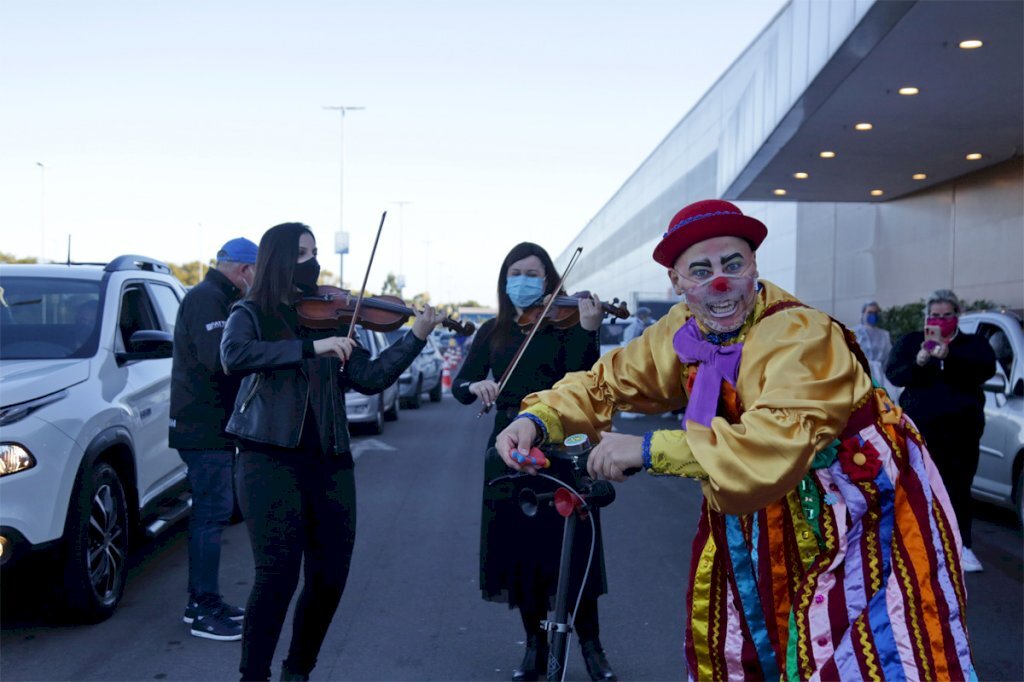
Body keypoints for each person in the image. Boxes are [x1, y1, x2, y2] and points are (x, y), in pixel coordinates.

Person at [496, 200, 977, 680]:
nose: (719, 283)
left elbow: (776, 440)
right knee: (751, 640)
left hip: (857, 505)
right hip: (752, 495)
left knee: (862, 649)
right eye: (700, 271)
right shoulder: (681, 328)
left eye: (733, 265)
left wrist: (647, 449)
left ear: (754, 267)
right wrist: (538, 420)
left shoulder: (800, 332)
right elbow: (605, 383)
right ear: (678, 284)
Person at [220, 223, 444, 682]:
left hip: (329, 457)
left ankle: (298, 670)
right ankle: (253, 676)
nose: (314, 262)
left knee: (329, 578)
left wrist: (416, 335)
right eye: (304, 252)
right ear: (280, 257)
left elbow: (371, 377)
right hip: (268, 454)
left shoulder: (334, 315)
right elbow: (234, 356)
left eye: (316, 252)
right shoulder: (252, 311)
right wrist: (310, 347)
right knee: (277, 576)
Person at [451, 242, 616, 682]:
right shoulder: (493, 331)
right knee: (521, 550)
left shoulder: (566, 325)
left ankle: (591, 646)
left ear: (550, 280)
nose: (523, 280)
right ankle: (535, 649)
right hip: (508, 448)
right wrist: (473, 389)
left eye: (533, 273)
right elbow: (463, 381)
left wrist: (588, 329)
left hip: (561, 443)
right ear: (505, 280)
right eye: (515, 272)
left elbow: (585, 383)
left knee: (575, 547)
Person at [169, 237, 258, 641]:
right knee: (210, 515)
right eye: (256, 273)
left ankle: (207, 600)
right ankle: (201, 607)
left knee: (214, 513)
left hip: (212, 427)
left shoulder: (218, 297)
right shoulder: (207, 298)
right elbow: (220, 360)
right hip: (203, 428)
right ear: (244, 270)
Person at [886, 289, 995, 573]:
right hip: (921, 431)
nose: (941, 320)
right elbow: (894, 373)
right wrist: (920, 362)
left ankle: (962, 547)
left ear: (956, 316)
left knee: (959, 487)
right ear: (927, 317)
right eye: (935, 315)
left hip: (962, 432)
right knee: (918, 486)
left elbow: (986, 369)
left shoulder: (973, 344)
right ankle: (917, 545)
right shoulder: (912, 341)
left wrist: (951, 357)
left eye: (947, 315)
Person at [853, 300, 896, 396]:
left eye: (875, 313)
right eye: (870, 312)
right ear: (863, 314)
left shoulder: (884, 335)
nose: (873, 315)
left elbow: (888, 358)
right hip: (861, 374)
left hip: (880, 375)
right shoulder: (855, 333)